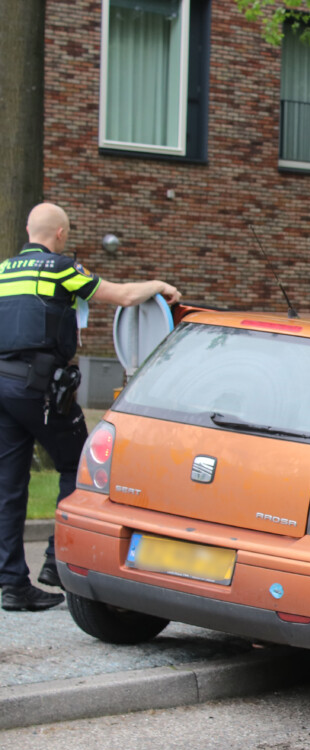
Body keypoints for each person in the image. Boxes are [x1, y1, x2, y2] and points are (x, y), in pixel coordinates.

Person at [0, 202, 180, 612]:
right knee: (79, 465)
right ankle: (54, 562)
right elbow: (124, 296)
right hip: (38, 386)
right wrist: (158, 284)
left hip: (3, 386)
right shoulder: (60, 268)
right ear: (60, 234)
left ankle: (12, 584)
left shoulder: (4, 271)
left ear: (28, 230)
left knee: (8, 486)